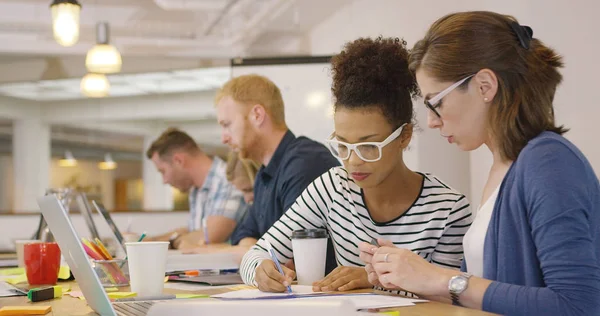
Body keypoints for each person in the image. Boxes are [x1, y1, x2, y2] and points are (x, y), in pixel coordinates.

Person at [359, 11, 600, 316]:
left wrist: (440, 278)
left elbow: (578, 305)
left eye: (437, 103)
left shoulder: (548, 162)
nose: (432, 122)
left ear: (485, 85)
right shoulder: (504, 168)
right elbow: (490, 296)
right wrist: (410, 279)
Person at [240, 36, 473, 294]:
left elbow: (451, 298)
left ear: (404, 136)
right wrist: (262, 270)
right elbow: (255, 255)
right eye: (343, 145)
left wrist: (373, 277)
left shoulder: (447, 209)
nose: (353, 161)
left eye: (369, 146)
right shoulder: (333, 187)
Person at [214, 74, 340, 269]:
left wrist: (259, 253)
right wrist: (258, 252)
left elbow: (288, 260)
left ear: (257, 115)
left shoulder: (305, 162)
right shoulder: (263, 175)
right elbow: (245, 236)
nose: (224, 138)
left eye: (227, 125)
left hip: (324, 296)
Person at [145, 128, 247, 249]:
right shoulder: (196, 189)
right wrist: (149, 241)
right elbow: (192, 231)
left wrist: (174, 241)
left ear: (179, 161)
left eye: (163, 171)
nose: (164, 180)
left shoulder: (227, 180)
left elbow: (208, 237)